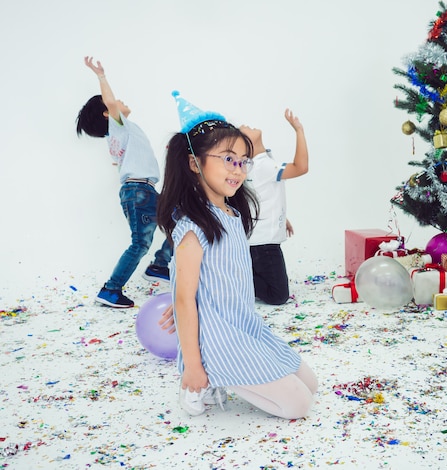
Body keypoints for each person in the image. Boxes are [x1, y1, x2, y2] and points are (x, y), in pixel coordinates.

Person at [157, 91, 317, 418]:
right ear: (193, 163)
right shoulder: (192, 228)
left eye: (244, 160)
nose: (239, 169)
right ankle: (205, 381)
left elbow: (219, 277)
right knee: (299, 405)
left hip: (244, 325)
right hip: (219, 339)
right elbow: (185, 297)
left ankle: (230, 375)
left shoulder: (230, 214)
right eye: (228, 158)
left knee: (310, 385)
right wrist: (194, 367)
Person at [76, 57, 172, 308]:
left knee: (180, 218)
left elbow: (121, 161)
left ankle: (160, 266)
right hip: (140, 191)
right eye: (113, 104)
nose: (120, 102)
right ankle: (111, 289)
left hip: (143, 190)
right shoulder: (120, 126)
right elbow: (109, 101)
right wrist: (101, 76)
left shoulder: (118, 136)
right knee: (140, 243)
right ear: (108, 113)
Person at [240, 109, 309, 305]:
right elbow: (301, 167)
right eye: (242, 130)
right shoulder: (263, 166)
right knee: (278, 296)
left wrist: (281, 216)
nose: (246, 125)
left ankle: (240, 276)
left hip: (259, 242)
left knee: (276, 290)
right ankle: (236, 279)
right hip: (264, 244)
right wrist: (299, 131)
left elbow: (260, 197)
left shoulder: (260, 165)